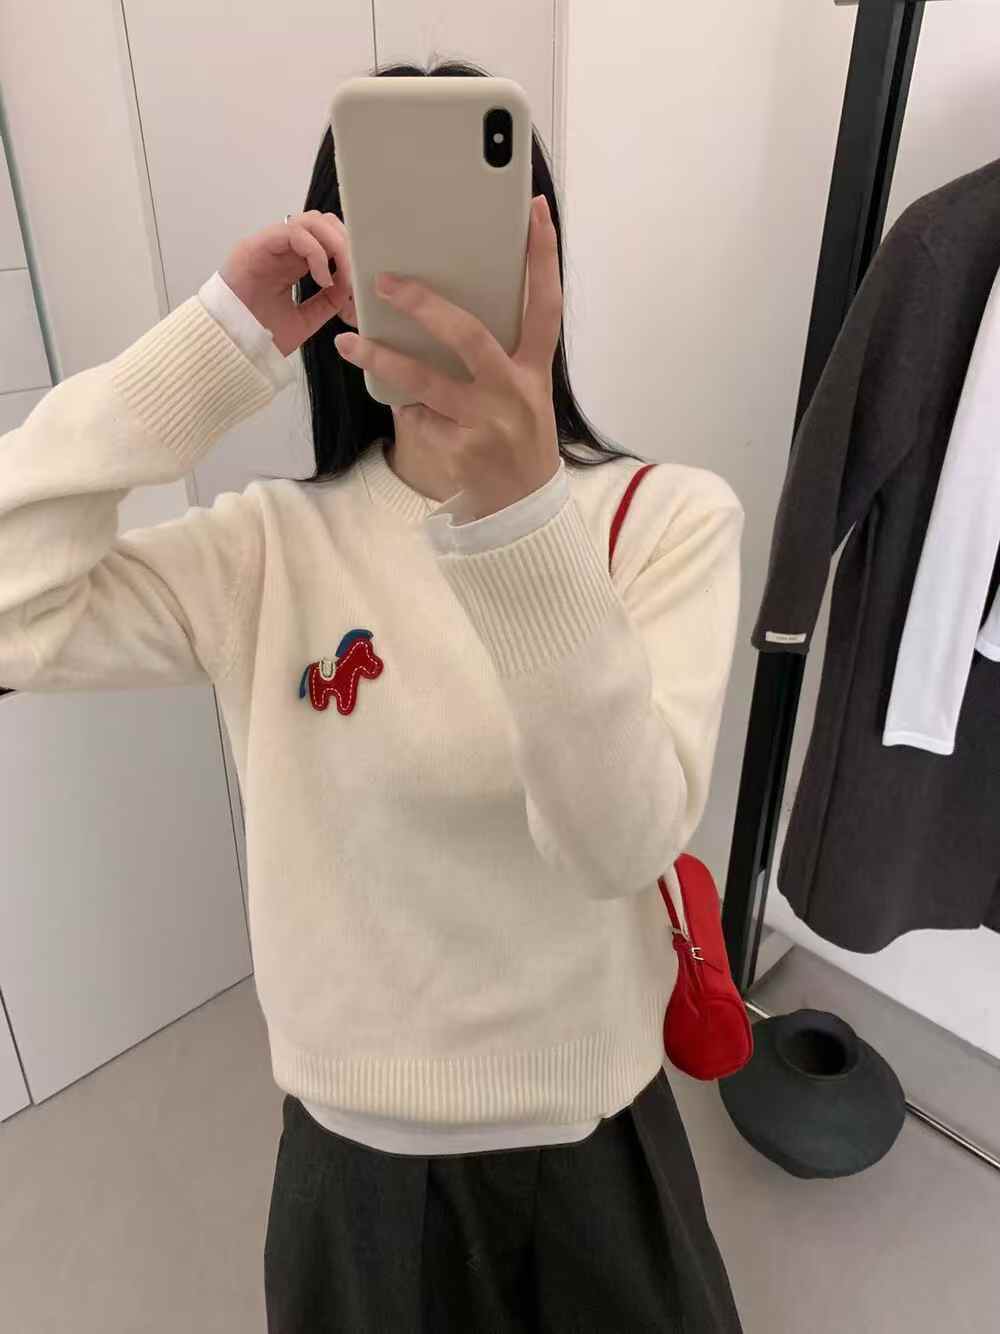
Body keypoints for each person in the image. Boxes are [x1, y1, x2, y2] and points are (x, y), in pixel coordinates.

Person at [0, 59, 745, 1334]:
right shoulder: (265, 549)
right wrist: (213, 345)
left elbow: (618, 847)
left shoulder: (665, 518)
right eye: (388, 241)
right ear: (330, 275)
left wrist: (520, 514)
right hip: (354, 1165)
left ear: (544, 267)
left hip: (593, 1144)